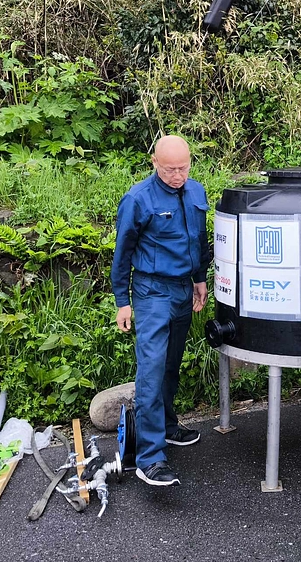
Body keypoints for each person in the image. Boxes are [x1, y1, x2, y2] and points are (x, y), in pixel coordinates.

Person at [111, 135, 211, 487]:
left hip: (184, 288)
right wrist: (122, 301)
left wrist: (200, 279)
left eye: (183, 168)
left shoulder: (196, 191)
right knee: (152, 371)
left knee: (170, 364)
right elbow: (122, 252)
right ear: (154, 163)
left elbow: (199, 240)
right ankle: (149, 457)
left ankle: (168, 427)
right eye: (170, 170)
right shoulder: (138, 199)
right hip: (152, 291)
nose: (178, 176)